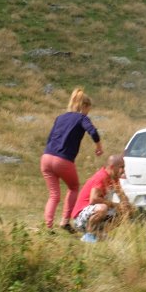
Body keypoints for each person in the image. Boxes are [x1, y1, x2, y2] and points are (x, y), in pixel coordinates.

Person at [40, 87, 103, 232]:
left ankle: (48, 227)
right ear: (84, 106)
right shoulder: (82, 118)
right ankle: (64, 222)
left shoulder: (60, 118)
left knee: (54, 195)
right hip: (62, 160)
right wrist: (99, 146)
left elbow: (50, 138)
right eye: (89, 109)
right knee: (73, 187)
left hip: (46, 158)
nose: (88, 112)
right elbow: (93, 131)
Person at [71, 155, 126, 243]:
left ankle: (99, 234)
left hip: (93, 213)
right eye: (121, 167)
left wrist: (127, 208)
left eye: (124, 167)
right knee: (103, 208)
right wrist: (114, 205)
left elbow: (123, 197)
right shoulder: (101, 177)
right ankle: (89, 235)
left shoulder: (115, 179)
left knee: (122, 213)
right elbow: (93, 199)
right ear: (112, 167)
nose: (123, 170)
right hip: (80, 218)